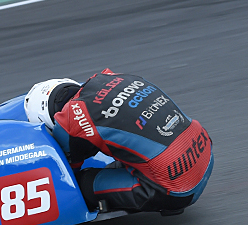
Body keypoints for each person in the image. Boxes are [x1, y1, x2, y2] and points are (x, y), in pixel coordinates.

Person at [24, 69, 213, 215]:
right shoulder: (115, 78)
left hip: (176, 189)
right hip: (204, 151)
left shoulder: (69, 120)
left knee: (81, 185)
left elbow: (64, 177)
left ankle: (156, 196)